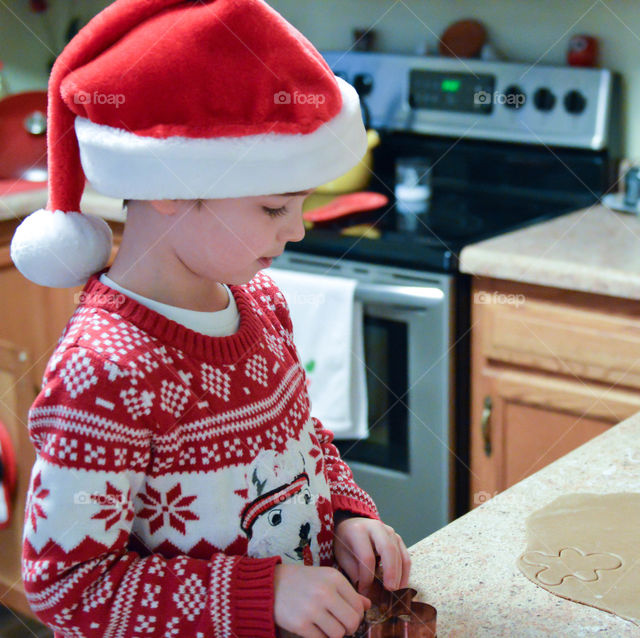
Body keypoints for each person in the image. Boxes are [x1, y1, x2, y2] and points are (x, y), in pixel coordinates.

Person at [10, 1, 410, 636]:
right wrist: (266, 590)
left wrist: (343, 515)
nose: (298, 229)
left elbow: (304, 445)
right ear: (168, 183)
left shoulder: (260, 303)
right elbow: (68, 588)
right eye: (275, 206)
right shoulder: (106, 370)